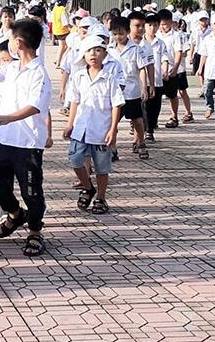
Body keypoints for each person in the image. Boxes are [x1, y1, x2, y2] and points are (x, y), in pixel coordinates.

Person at [0, 18, 52, 258]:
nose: (8, 43)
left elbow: (35, 106)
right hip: (4, 139)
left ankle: (35, 231)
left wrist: (9, 117)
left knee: (31, 189)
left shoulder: (39, 73)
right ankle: (15, 214)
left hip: (28, 143)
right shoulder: (11, 68)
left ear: (18, 42)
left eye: (10, 38)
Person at [63, 34, 125, 215]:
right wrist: (70, 124)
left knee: (101, 167)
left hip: (101, 128)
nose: (93, 54)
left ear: (104, 54)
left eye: (98, 50)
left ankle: (101, 198)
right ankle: (88, 187)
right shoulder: (79, 76)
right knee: (75, 160)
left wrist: (113, 129)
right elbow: (74, 101)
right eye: (89, 50)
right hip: (80, 127)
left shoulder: (110, 78)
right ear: (83, 54)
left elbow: (116, 105)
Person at [108, 16, 151, 160]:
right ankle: (112, 148)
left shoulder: (135, 49)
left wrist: (144, 87)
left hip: (132, 92)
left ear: (127, 32)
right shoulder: (108, 50)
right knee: (111, 122)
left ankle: (141, 143)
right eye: (114, 33)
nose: (117, 37)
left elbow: (142, 69)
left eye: (120, 33)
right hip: (115, 93)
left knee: (137, 120)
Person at [142, 13, 169, 142]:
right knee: (144, 106)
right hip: (142, 81)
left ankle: (151, 125)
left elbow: (164, 58)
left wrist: (165, 71)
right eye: (149, 25)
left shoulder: (161, 43)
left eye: (155, 25)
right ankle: (148, 130)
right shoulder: (140, 43)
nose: (152, 28)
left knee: (155, 107)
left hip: (157, 80)